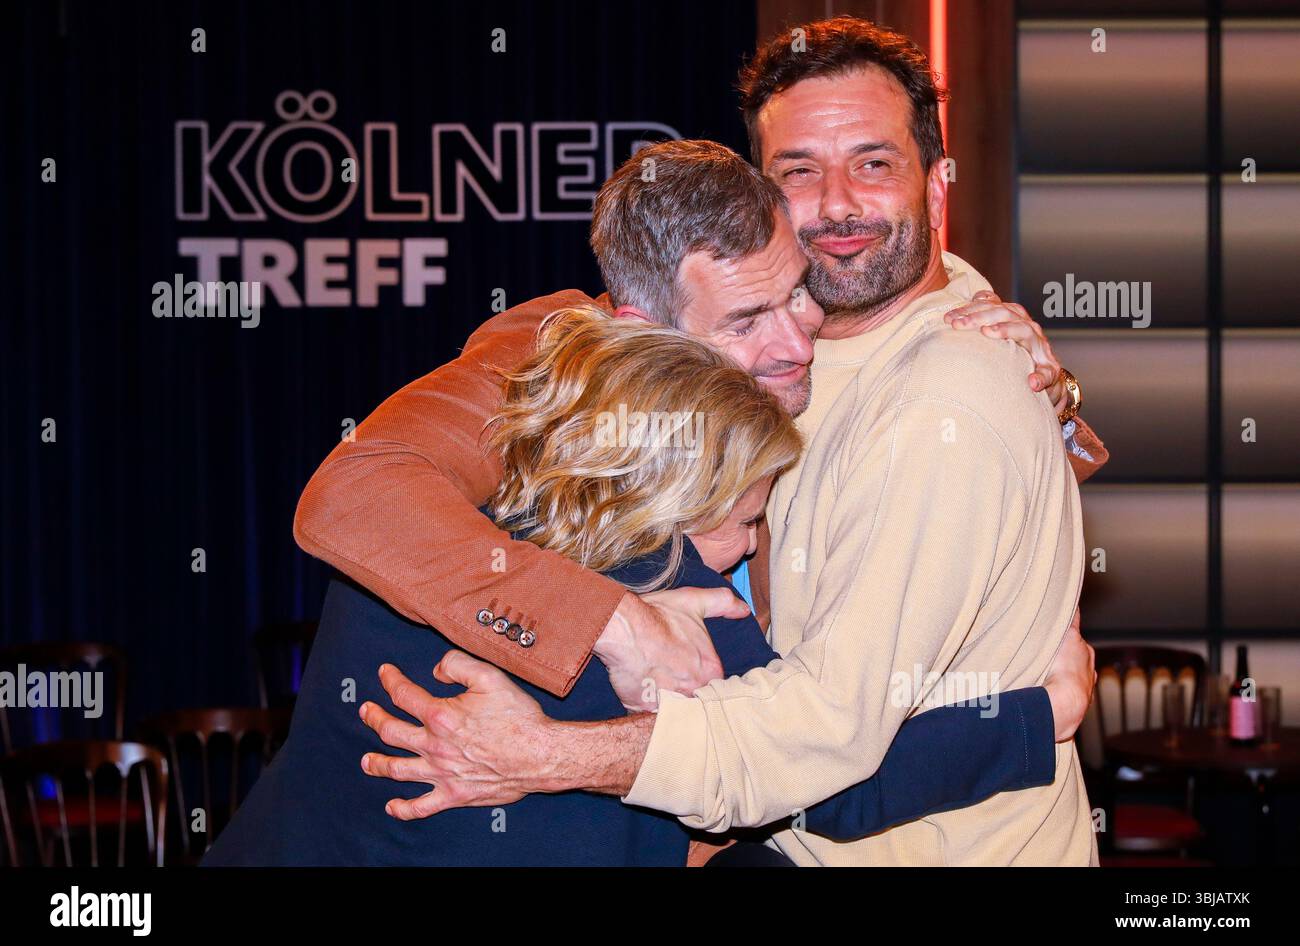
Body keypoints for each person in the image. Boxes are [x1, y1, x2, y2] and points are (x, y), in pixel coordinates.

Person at [359, 18, 1101, 866]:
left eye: (873, 164)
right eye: (799, 173)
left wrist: (1056, 410)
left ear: (935, 190)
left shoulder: (956, 375)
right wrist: (1033, 721)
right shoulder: (595, 366)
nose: (838, 205)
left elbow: (819, 752)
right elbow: (359, 491)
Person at [203, 308, 1082, 865]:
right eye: (743, 517)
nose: (749, 546)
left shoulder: (438, 537)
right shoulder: (674, 595)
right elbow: (833, 784)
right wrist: (1038, 715)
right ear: (669, 501)